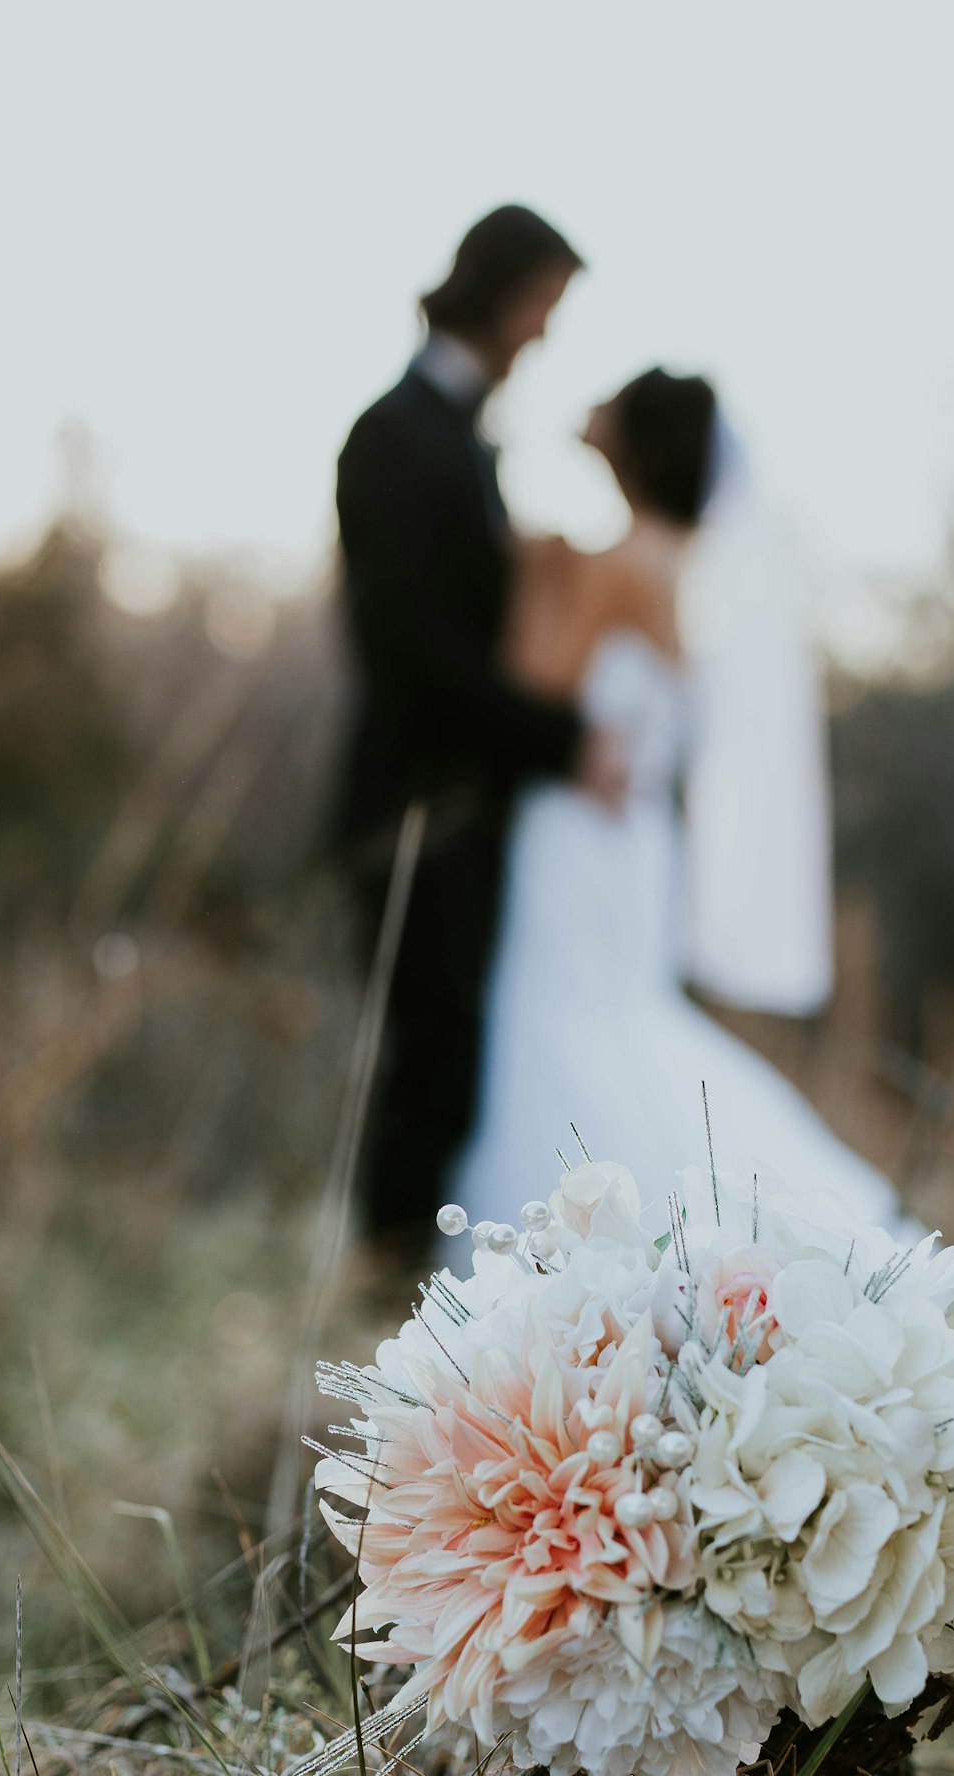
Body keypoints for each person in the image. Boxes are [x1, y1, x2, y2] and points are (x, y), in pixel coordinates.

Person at [452, 369, 954, 1396]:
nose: (587, 409)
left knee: (568, 1019)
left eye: (609, 405)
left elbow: (534, 685)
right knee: (600, 1020)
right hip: (621, 838)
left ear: (636, 446)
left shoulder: (615, 562)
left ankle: (573, 1276)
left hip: (576, 833)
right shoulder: (679, 561)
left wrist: (536, 572)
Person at [333, 205, 623, 1260]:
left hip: (467, 806)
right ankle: (386, 1277)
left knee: (450, 1055)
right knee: (427, 1055)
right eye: (542, 305)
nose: (543, 334)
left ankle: (403, 1276)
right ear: (499, 295)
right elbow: (409, 649)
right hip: (416, 810)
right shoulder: (393, 435)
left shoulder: (458, 439)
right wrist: (558, 736)